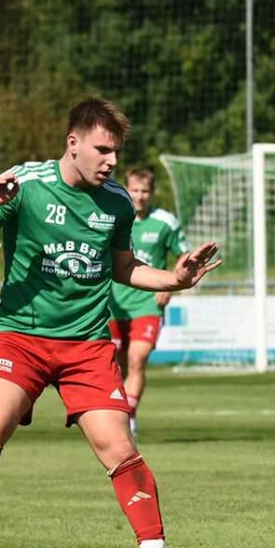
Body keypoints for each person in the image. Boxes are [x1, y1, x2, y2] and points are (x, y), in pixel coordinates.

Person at [0, 98, 221, 548]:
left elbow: (123, 266)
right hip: (20, 337)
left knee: (120, 448)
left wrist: (175, 279)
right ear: (73, 143)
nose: (112, 161)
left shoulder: (114, 202)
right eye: (103, 150)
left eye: (116, 151)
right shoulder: (24, 184)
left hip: (86, 346)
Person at [108, 167, 190, 437]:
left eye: (145, 191)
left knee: (137, 358)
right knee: (116, 363)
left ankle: (129, 417)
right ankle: (120, 411)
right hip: (114, 302)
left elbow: (183, 255)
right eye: (135, 190)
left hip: (148, 303)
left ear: (152, 193)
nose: (140, 196)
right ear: (127, 189)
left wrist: (172, 285)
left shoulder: (165, 221)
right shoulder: (115, 215)